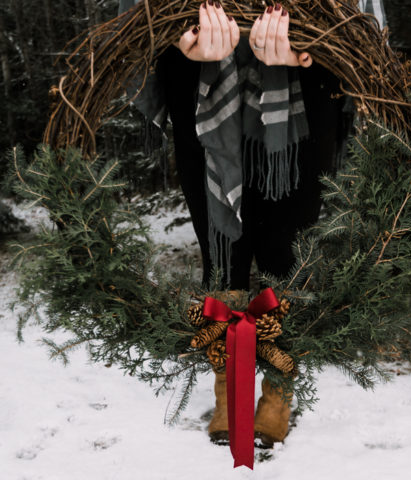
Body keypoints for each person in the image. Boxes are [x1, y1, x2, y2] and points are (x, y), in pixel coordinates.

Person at [118, 0, 385, 448]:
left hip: (307, 73)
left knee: (291, 249)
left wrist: (317, 44)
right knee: (221, 248)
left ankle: (279, 391)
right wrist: (173, 33)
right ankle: (232, 390)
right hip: (197, 63)